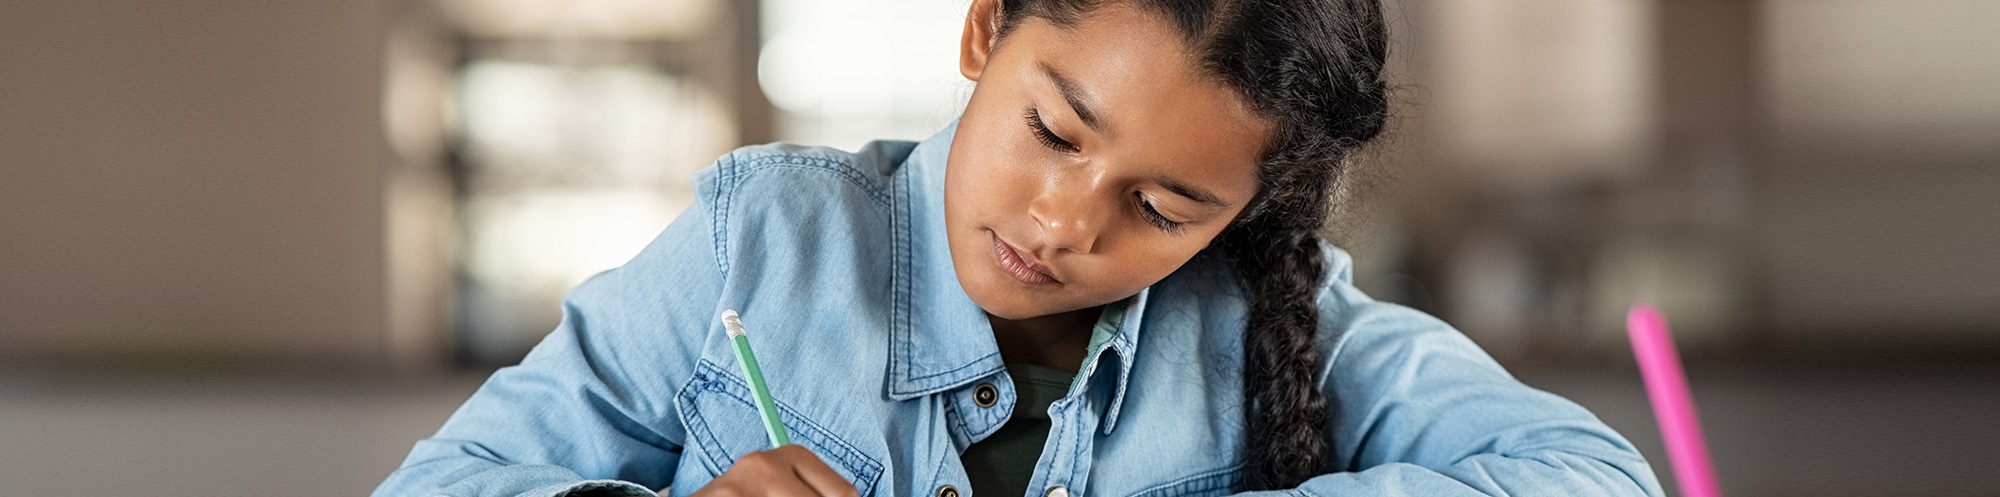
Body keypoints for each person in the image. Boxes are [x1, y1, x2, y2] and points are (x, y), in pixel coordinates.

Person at [374, 0, 1664, 495]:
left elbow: (1594, 479)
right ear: (985, 32)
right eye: (1053, 129)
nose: (1063, 223)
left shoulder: (1276, 319)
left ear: (1244, 213)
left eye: (1162, 210)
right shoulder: (759, 247)